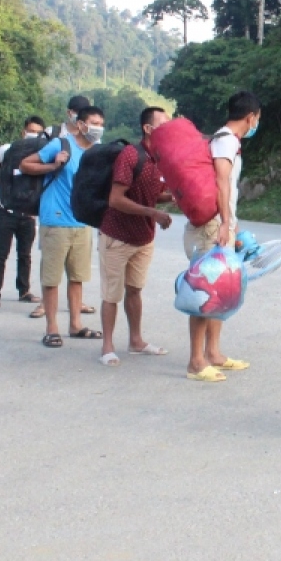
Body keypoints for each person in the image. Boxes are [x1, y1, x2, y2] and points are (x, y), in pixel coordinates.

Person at [182, 91, 260, 383]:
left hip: (220, 223)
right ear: (250, 117)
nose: (255, 124)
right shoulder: (226, 141)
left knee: (219, 290)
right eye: (256, 120)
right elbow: (220, 180)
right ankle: (195, 362)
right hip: (211, 225)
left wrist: (233, 225)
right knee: (203, 290)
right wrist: (226, 222)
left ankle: (213, 353)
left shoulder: (226, 140)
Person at [19, 105, 107, 348]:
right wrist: (52, 166)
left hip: (82, 222)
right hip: (55, 220)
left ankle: (76, 324)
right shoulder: (61, 145)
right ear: (80, 124)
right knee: (51, 278)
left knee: (77, 277)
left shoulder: (98, 152)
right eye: (93, 123)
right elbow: (26, 164)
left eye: (101, 123)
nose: (98, 128)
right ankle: (51, 328)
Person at [96, 106, 174, 367]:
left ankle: (136, 340)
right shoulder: (131, 155)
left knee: (135, 290)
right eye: (163, 124)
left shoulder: (160, 159)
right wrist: (153, 212)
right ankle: (107, 346)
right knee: (111, 294)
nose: (169, 128)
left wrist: (174, 197)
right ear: (148, 128)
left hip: (143, 237)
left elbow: (155, 193)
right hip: (116, 236)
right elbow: (116, 199)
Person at [0, 115, 46, 309]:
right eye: (31, 131)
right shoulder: (8, 149)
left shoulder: (43, 152)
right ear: (23, 131)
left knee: (25, 255)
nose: (33, 135)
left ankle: (24, 291)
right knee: (0, 253)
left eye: (38, 132)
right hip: (5, 210)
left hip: (28, 215)